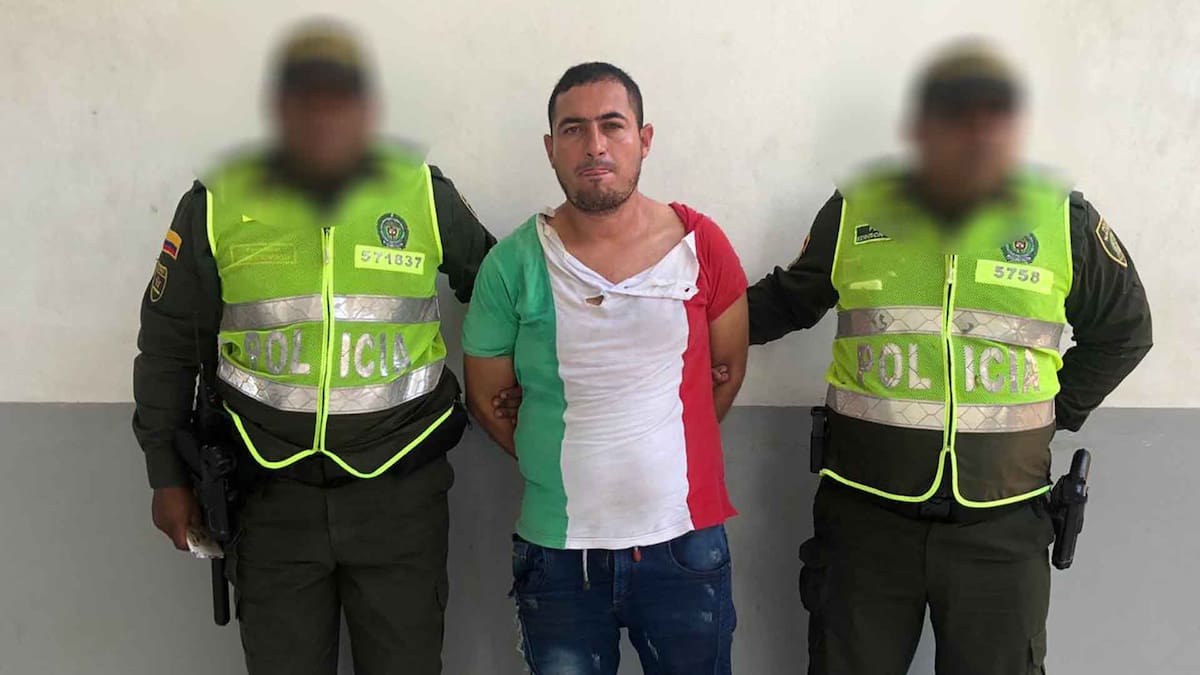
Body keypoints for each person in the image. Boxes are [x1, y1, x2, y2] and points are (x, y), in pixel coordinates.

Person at [743, 41, 1153, 674]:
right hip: (865, 519)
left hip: (1003, 525)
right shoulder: (856, 208)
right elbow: (785, 301)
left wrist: (1054, 411)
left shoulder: (1063, 219)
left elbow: (1125, 331)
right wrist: (681, 326)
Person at [132, 20, 495, 675]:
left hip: (401, 491)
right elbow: (166, 345)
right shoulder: (216, 202)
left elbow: (498, 290)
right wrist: (166, 472)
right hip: (268, 493)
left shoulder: (421, 192)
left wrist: (503, 391)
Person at [461, 62, 749, 675]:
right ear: (550, 148)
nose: (594, 145)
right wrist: (555, 451)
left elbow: (725, 371)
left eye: (612, 125)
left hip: (685, 545)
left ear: (644, 139)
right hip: (559, 558)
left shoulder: (701, 246)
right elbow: (487, 399)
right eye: (573, 130)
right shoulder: (512, 264)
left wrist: (665, 436)